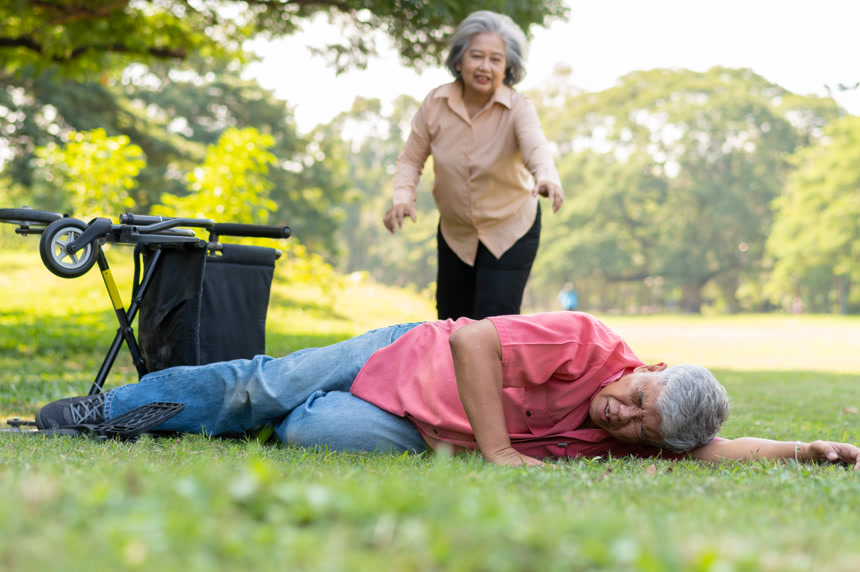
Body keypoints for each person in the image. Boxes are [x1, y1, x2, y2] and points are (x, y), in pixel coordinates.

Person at [36, 312, 860, 470]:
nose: (622, 416)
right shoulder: (589, 343)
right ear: (649, 370)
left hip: (420, 425)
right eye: (636, 402)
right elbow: (472, 339)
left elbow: (712, 448)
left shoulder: (646, 436)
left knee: (304, 436)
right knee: (263, 388)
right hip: (413, 355)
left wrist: (804, 448)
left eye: (639, 431)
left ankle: (283, 419)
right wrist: (495, 448)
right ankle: (105, 412)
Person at [382, 11, 564, 321]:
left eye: (495, 59)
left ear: (507, 68)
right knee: (450, 323)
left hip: (511, 229)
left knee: (494, 324)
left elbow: (536, 146)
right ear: (458, 60)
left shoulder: (518, 107)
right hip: (456, 232)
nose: (484, 66)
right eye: (476, 56)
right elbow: (412, 159)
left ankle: (495, 372)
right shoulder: (435, 103)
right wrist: (402, 197)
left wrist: (547, 177)